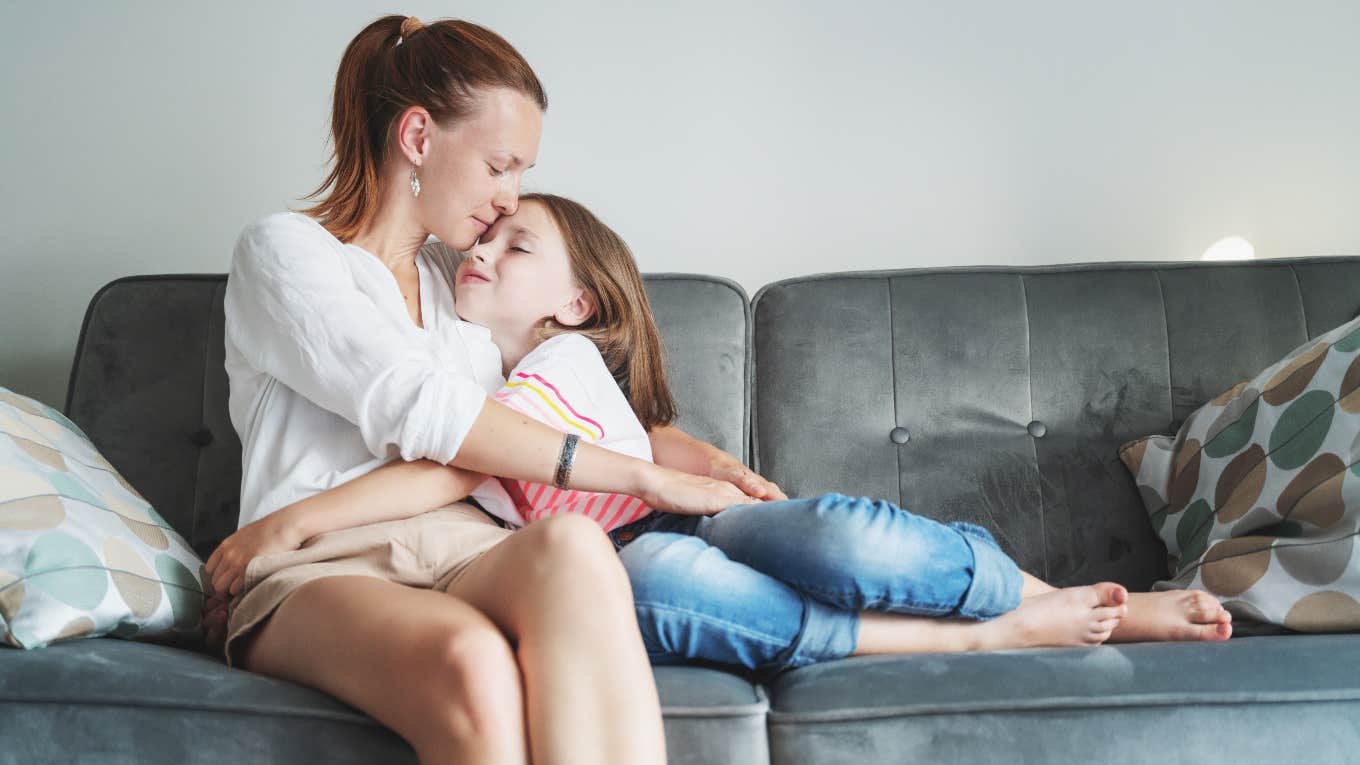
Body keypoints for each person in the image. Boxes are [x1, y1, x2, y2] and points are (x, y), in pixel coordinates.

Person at [284, 192, 1235, 673]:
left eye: (513, 243)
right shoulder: (455, 373)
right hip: (603, 558)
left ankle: (1052, 591)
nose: (479, 249)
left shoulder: (570, 361)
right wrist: (292, 526)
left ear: (578, 302)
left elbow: (659, 441)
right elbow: (444, 472)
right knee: (667, 586)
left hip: (697, 514)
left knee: (837, 535)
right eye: (478, 243)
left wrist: (732, 474)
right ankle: (992, 639)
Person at [201, 16, 772, 765]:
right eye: (501, 165)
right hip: (318, 564)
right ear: (417, 138)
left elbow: (560, 406)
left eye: (521, 176)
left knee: (571, 542)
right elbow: (430, 412)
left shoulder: (466, 281)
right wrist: (644, 479)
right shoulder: (286, 254)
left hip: (466, 546)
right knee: (474, 662)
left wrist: (705, 461)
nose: (509, 199)